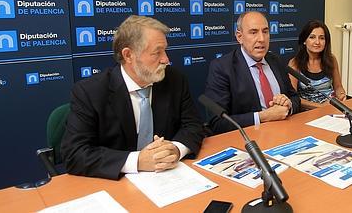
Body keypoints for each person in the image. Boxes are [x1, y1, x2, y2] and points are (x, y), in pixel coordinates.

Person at [61, 15, 205, 180]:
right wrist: (137, 161)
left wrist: (176, 149)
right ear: (128, 55)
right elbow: (75, 153)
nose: (166, 59)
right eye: (157, 53)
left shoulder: (175, 80)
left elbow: (193, 125)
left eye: (165, 50)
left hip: (169, 177)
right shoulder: (90, 92)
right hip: (116, 184)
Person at [204, 11, 301, 134]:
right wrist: (264, 116)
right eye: (253, 32)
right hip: (249, 139)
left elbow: (295, 98)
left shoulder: (275, 60)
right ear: (240, 37)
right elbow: (217, 122)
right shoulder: (222, 68)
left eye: (265, 32)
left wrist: (288, 105)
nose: (261, 39)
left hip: (285, 133)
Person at [288, 20, 347, 110]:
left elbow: (338, 87)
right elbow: (293, 98)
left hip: (331, 108)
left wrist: (341, 96)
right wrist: (321, 106)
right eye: (312, 37)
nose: (317, 42)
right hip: (307, 112)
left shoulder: (331, 59)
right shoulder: (295, 63)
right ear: (304, 41)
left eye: (322, 38)